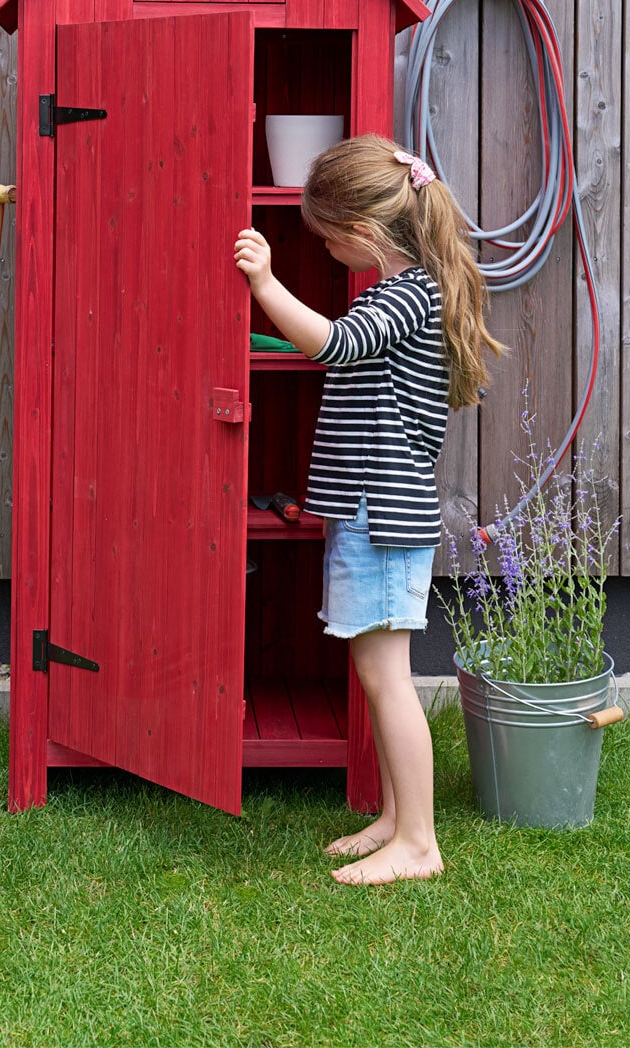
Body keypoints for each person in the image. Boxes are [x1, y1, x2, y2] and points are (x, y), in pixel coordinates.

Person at [234, 134, 504, 884]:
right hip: (373, 512)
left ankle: (418, 844)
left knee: (386, 676)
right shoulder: (409, 290)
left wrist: (265, 283)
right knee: (374, 668)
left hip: (383, 517)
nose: (325, 253)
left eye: (326, 240)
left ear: (360, 233)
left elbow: (332, 344)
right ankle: (394, 816)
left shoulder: (402, 295)